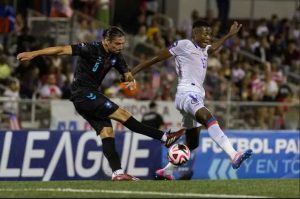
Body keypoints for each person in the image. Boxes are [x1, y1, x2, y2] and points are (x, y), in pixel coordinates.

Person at [17, 26, 185, 181]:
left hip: (89, 97)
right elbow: (61, 50)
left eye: (122, 43)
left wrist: (129, 80)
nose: (120, 46)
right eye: (117, 43)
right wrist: (34, 53)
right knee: (123, 115)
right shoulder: (90, 48)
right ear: (106, 41)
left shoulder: (116, 56)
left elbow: (125, 73)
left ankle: (118, 173)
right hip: (83, 93)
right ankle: (164, 137)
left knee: (107, 133)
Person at [131, 20, 253, 180]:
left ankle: (166, 171)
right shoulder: (184, 45)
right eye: (204, 32)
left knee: (193, 142)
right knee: (208, 118)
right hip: (187, 93)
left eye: (209, 33)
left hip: (195, 95)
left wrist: (229, 34)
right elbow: (157, 57)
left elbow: (214, 47)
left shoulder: (205, 49)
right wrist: (133, 71)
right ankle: (233, 154)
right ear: (194, 33)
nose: (207, 36)